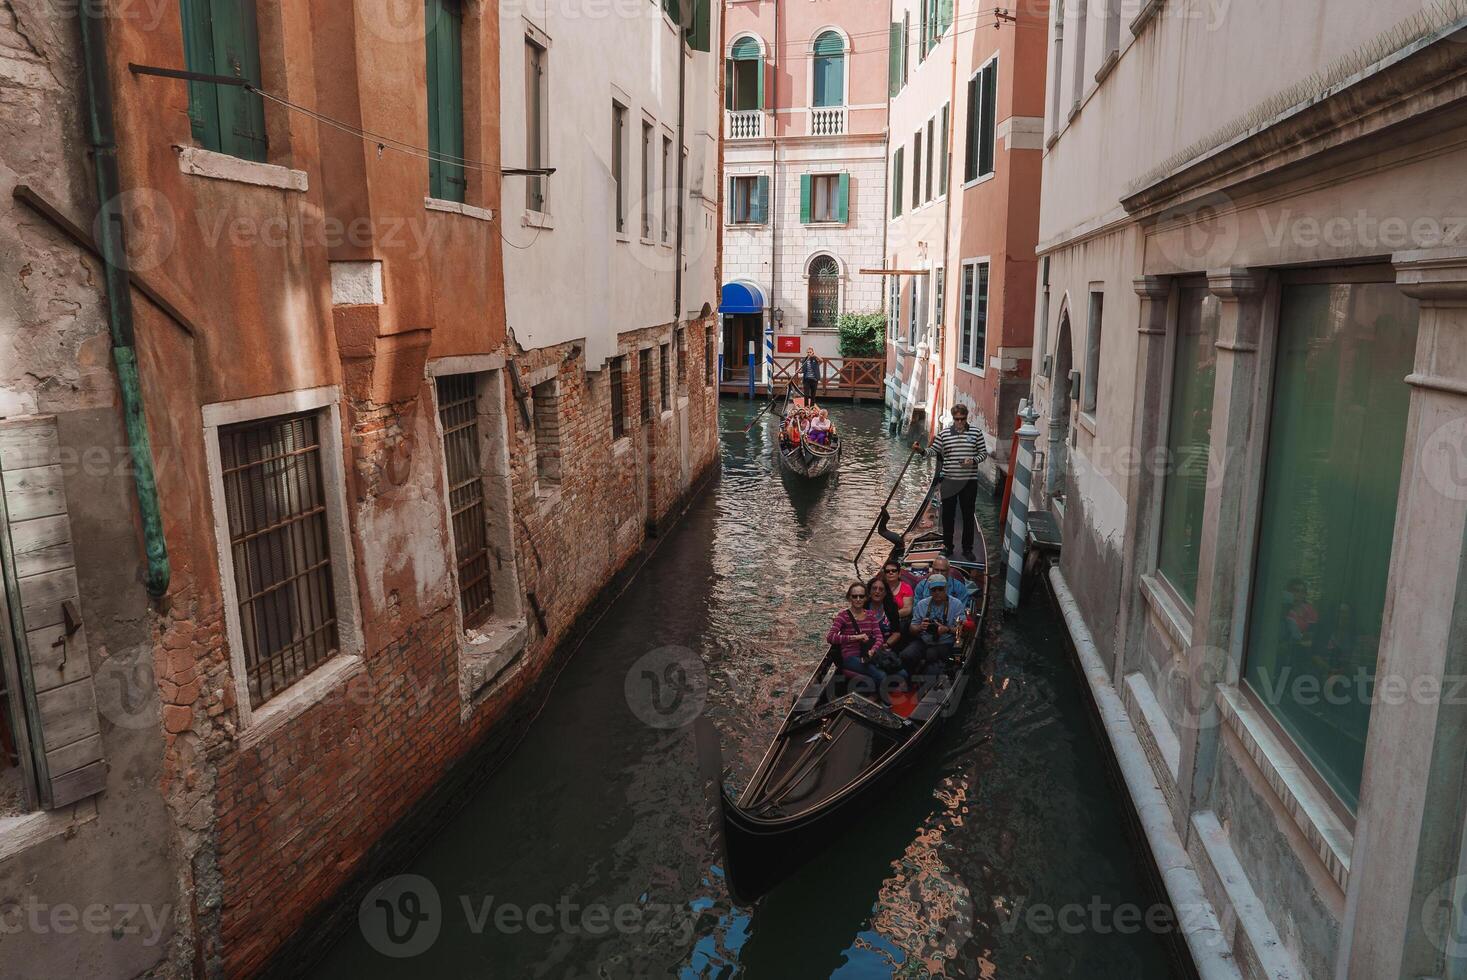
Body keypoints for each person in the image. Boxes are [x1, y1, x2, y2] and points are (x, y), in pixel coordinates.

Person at [932, 403, 988, 559]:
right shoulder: (944, 434)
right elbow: (933, 450)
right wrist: (921, 451)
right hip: (949, 481)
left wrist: (973, 460)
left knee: (968, 515)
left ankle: (967, 549)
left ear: (966, 417)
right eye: (956, 419)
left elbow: (983, 453)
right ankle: (948, 547)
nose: (959, 423)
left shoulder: (976, 433)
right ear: (953, 418)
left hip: (969, 482)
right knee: (947, 516)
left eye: (962, 419)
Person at [826, 582, 891, 698]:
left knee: (901, 672)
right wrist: (855, 637)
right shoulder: (843, 616)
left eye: (861, 596)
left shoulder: (871, 615)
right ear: (849, 597)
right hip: (850, 657)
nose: (858, 599)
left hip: (868, 655)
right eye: (854, 596)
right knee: (881, 675)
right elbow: (830, 637)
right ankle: (886, 705)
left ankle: (871, 696)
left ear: (866, 598)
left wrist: (872, 650)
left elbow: (879, 637)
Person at [901, 575, 964, 677]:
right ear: (929, 590)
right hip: (924, 640)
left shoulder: (956, 604)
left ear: (946, 588)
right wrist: (920, 627)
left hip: (945, 643)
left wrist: (947, 629)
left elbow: (962, 630)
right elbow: (912, 629)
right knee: (906, 655)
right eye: (934, 590)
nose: (937, 592)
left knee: (931, 655)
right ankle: (909, 678)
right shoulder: (922, 604)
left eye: (940, 589)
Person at [882, 562, 914, 627]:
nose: (890, 573)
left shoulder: (906, 588)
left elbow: (907, 609)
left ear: (899, 574)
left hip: (901, 619)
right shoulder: (880, 587)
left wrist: (890, 616)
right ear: (885, 575)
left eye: (894, 571)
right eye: (887, 571)